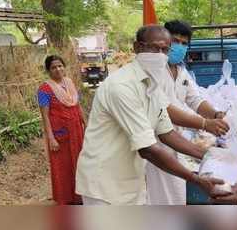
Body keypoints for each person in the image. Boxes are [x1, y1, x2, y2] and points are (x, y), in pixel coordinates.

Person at [76, 25, 223, 205]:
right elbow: (147, 149)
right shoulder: (122, 86)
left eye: (164, 50)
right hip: (104, 184)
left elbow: (167, 133)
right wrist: (197, 179)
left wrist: (210, 156)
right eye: (154, 48)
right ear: (137, 48)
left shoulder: (152, 86)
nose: (160, 55)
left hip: (130, 180)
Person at [145, 20, 229, 205]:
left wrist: (216, 115)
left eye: (184, 43)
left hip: (175, 140)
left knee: (175, 194)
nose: (180, 47)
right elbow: (165, 109)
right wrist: (205, 124)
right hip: (154, 142)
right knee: (159, 196)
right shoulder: (154, 72)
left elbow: (196, 100)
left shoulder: (181, 72)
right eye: (175, 41)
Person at [38, 55, 86, 205]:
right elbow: (45, 115)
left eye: (60, 66)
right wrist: (51, 138)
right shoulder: (44, 89)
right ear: (48, 70)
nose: (58, 69)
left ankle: (80, 196)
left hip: (77, 131)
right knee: (63, 167)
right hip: (60, 135)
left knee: (80, 163)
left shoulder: (69, 83)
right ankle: (65, 198)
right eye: (53, 67)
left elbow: (77, 106)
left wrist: (86, 124)